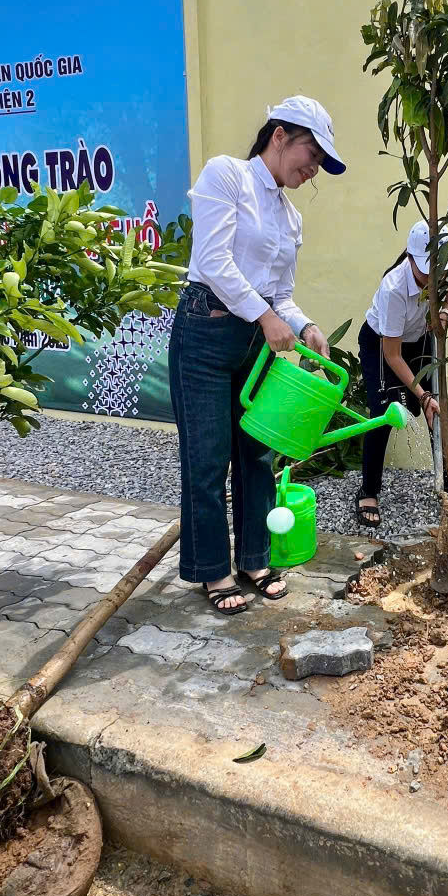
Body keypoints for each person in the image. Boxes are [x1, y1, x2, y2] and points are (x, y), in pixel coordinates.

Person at [169, 96, 343, 615]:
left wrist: (304, 325)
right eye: (312, 154)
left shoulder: (291, 218)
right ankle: (212, 570)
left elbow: (280, 294)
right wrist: (265, 317)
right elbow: (212, 261)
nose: (313, 169)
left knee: (257, 454)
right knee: (207, 458)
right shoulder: (227, 175)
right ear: (280, 135)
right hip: (205, 331)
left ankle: (253, 558)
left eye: (320, 163)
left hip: (255, 340)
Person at [356, 220, 448, 526]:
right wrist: (422, 395)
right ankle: (368, 491)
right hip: (383, 344)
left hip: (419, 339)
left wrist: (444, 311)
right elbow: (392, 355)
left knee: (438, 411)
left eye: (440, 272)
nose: (434, 279)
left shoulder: (444, 272)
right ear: (411, 257)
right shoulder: (393, 288)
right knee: (384, 413)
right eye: (427, 272)